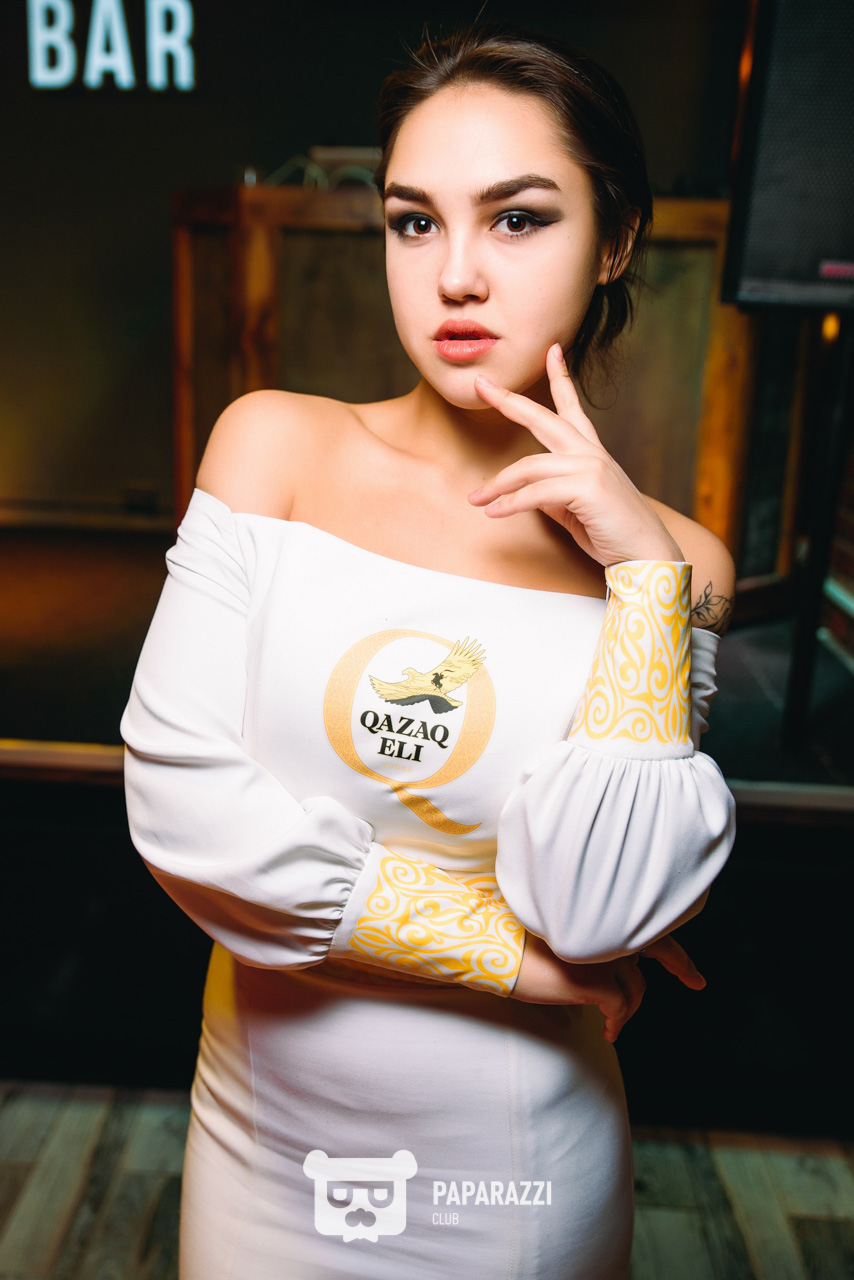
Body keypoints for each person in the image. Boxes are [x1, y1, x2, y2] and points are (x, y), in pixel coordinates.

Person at [122, 21, 736, 1280]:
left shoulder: (676, 564)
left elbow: (603, 907)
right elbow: (184, 810)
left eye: (516, 219)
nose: (455, 274)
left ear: (614, 240)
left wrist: (638, 576)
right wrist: (503, 954)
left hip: (513, 1179)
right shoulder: (273, 449)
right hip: (257, 1148)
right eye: (414, 221)